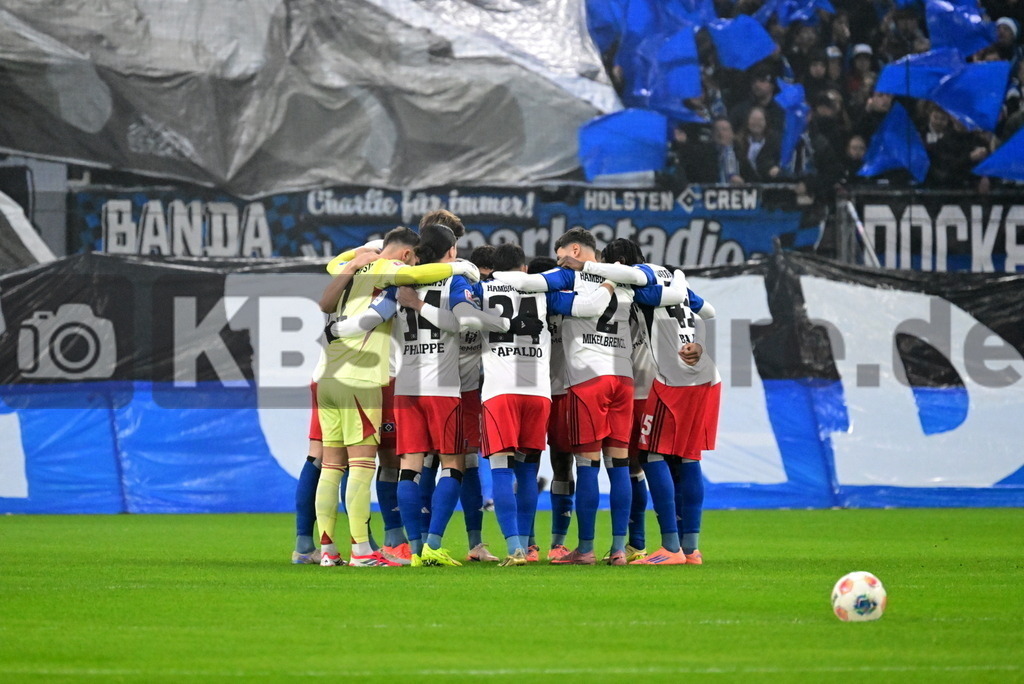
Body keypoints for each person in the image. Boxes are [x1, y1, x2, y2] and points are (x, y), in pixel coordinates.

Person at [315, 226, 480, 567]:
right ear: (407, 254)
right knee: (364, 467)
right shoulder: (400, 274)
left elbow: (336, 274)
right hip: (366, 379)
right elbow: (420, 283)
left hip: (333, 377)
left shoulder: (357, 267)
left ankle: (328, 549)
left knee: (333, 467)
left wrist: (363, 251)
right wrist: (461, 267)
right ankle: (365, 550)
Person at [564, 238, 710, 566]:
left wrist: (587, 268)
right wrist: (682, 278)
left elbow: (649, 294)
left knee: (645, 458)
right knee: (687, 458)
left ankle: (661, 546)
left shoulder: (636, 283)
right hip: (698, 377)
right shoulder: (668, 277)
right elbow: (706, 311)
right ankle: (691, 548)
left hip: (653, 383)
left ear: (617, 262)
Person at [391, 224, 505, 566]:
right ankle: (432, 546)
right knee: (454, 464)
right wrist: (424, 304)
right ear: (452, 250)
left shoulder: (400, 279)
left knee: (409, 468)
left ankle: (414, 550)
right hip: (442, 386)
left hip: (406, 385)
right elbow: (460, 323)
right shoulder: (455, 280)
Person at [737, 106, 782, 182]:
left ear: (766, 122)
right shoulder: (738, 142)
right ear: (747, 121)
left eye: (760, 120)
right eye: (753, 119)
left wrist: (777, 168)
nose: (756, 123)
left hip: (770, 183)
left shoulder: (776, 141)